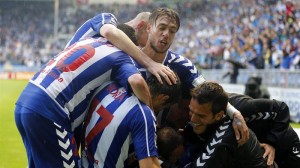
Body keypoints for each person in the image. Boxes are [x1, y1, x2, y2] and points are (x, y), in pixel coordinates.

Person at [14, 24, 153, 167]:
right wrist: (151, 113)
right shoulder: (121, 55)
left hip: (25, 101)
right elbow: (137, 82)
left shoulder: (88, 40)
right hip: (49, 110)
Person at [137, 7, 249, 144]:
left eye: (172, 31)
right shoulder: (126, 57)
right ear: (149, 28)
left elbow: (208, 91)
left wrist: (235, 114)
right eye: (162, 27)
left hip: (155, 138)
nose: (166, 34)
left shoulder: (182, 65)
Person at [81, 75, 182, 168]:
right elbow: (148, 165)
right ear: (163, 98)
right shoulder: (143, 114)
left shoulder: (111, 83)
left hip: (83, 160)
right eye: (164, 107)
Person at [179, 82, 275, 168]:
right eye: (191, 111)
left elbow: (280, 109)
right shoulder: (206, 123)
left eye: (201, 116)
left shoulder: (227, 133)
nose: (193, 119)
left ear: (219, 115)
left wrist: (272, 143)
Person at [65, 12, 176, 85]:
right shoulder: (108, 19)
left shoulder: (123, 52)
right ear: (141, 25)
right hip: (59, 79)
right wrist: (150, 63)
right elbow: (109, 32)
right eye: (149, 32)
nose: (150, 41)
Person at [228, 93, 300, 168]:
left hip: (284, 142)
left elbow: (282, 108)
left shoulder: (240, 107)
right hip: (261, 147)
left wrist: (271, 143)